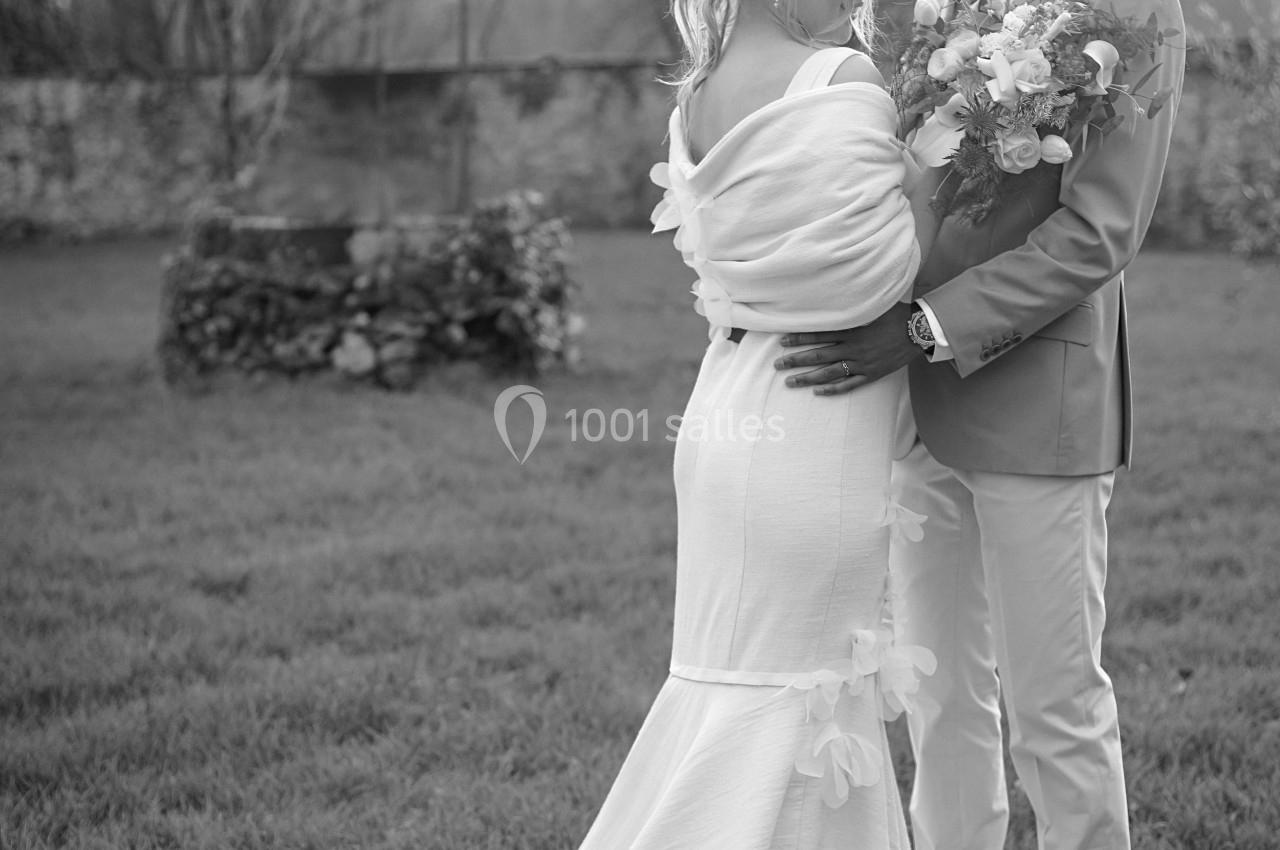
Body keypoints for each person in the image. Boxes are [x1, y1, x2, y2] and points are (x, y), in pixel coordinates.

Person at [773, 1, 1186, 848]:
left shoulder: (1136, 12)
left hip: (1038, 406)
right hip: (914, 403)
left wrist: (925, 326)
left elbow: (1098, 234)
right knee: (938, 698)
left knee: (1053, 706)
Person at [577, 1, 941, 847]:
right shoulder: (843, 81)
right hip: (817, 420)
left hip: (729, 399)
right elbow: (881, 275)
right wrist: (941, 172)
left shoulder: (696, 91)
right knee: (795, 694)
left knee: (737, 683)